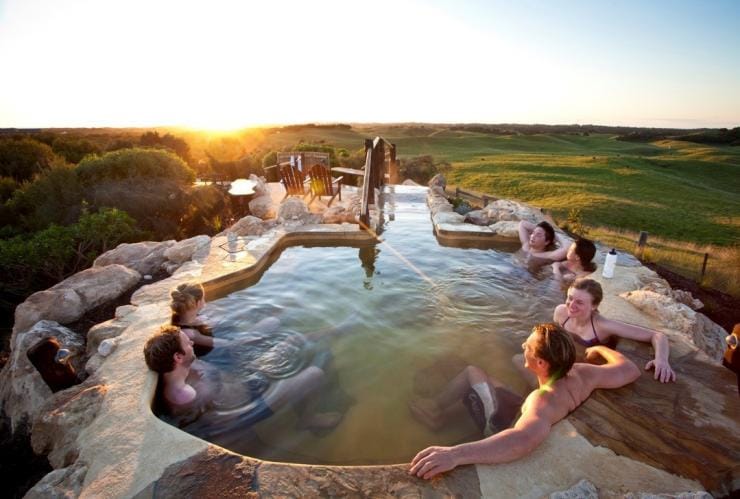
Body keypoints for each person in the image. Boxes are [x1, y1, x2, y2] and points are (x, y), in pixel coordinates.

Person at [409, 323, 640, 479]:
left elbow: (522, 440)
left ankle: (434, 412)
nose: (523, 346)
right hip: (530, 408)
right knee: (486, 376)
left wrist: (454, 455)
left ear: (541, 363)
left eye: (528, 346)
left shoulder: (542, 401)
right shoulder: (582, 373)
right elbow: (630, 370)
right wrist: (599, 349)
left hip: (503, 427)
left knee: (471, 373)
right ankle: (446, 409)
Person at [143, 325, 341, 435]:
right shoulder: (185, 396)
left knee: (289, 342)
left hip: (246, 382)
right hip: (253, 403)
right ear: (178, 357)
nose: (192, 343)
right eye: (188, 344)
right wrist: (254, 410)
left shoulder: (182, 368)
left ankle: (339, 329)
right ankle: (307, 419)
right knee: (315, 374)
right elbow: (221, 420)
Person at [553, 278, 676, 383]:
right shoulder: (561, 312)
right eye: (570, 298)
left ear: (594, 306)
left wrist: (661, 359)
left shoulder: (602, 326)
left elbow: (657, 335)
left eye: (579, 302)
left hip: (593, 364)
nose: (571, 305)